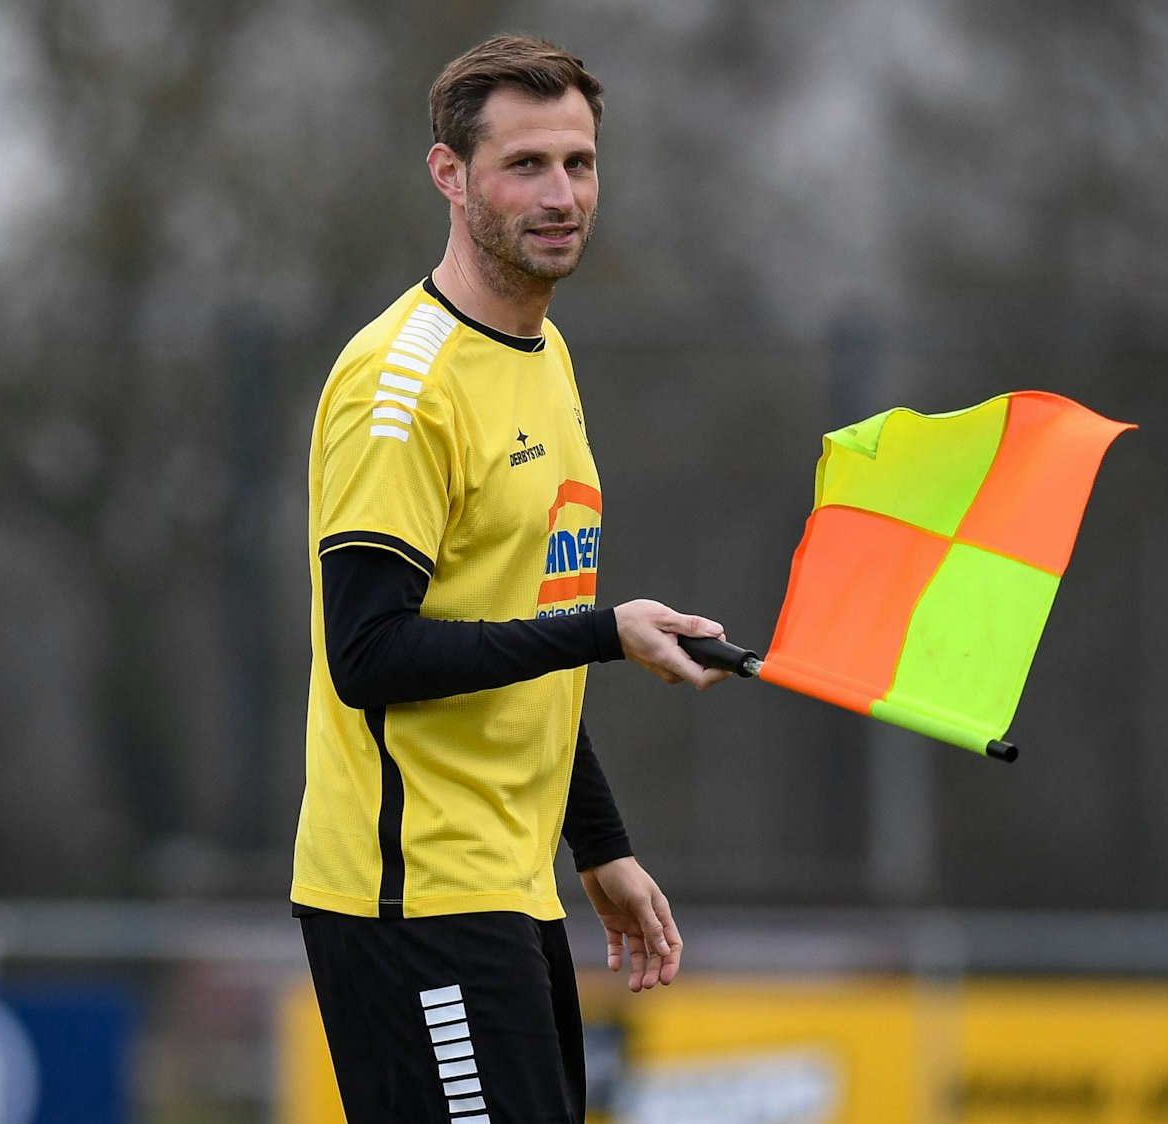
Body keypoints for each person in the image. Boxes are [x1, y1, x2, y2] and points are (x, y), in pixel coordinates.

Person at [292, 33, 731, 1123]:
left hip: (508, 882)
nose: (561, 194)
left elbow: (512, 627)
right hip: (411, 897)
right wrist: (604, 631)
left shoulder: (548, 356)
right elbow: (369, 655)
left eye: (578, 164)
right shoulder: (400, 390)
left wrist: (601, 844)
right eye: (524, 164)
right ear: (449, 174)